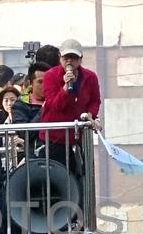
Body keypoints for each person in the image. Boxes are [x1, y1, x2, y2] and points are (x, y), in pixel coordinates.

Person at [36, 38, 102, 168]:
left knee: (77, 177)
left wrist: (90, 114)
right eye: (66, 57)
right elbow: (54, 105)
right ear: (60, 58)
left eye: (73, 57)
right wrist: (65, 88)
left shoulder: (90, 77)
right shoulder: (51, 76)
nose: (69, 61)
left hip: (77, 139)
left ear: (80, 59)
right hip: (53, 139)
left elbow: (95, 100)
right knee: (55, 178)